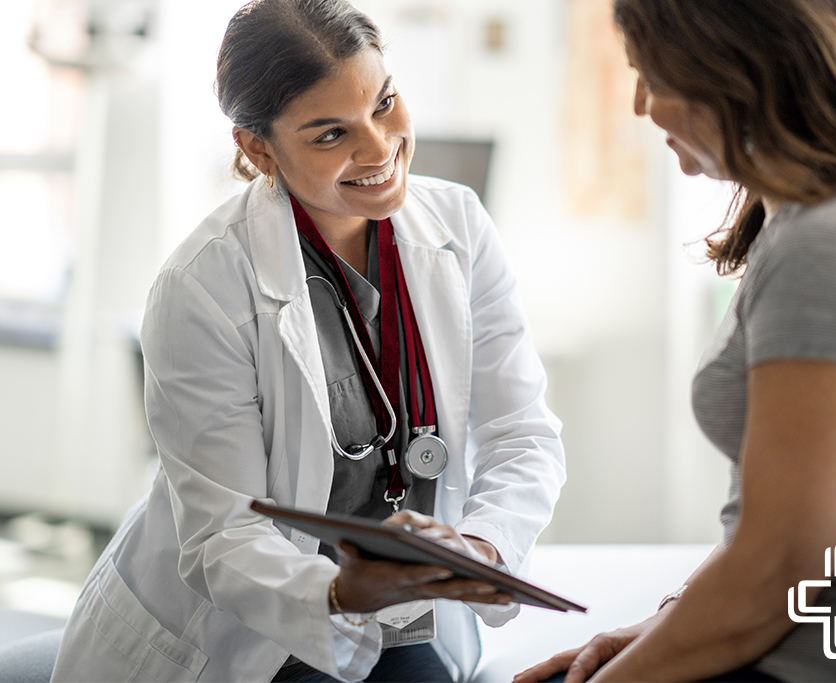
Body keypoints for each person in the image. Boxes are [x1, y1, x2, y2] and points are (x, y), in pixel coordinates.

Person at [50, 1, 565, 681]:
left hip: (408, 622)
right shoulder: (203, 286)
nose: (380, 149)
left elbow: (521, 434)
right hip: (248, 634)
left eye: (385, 103)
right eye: (331, 134)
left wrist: (478, 549)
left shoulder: (460, 226)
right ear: (258, 147)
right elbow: (223, 536)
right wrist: (343, 591)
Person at [517, 0, 836, 681]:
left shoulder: (833, 241)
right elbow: (767, 531)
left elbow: (780, 569)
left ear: (726, 64)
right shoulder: (814, 218)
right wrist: (655, 631)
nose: (639, 105)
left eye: (650, 76)